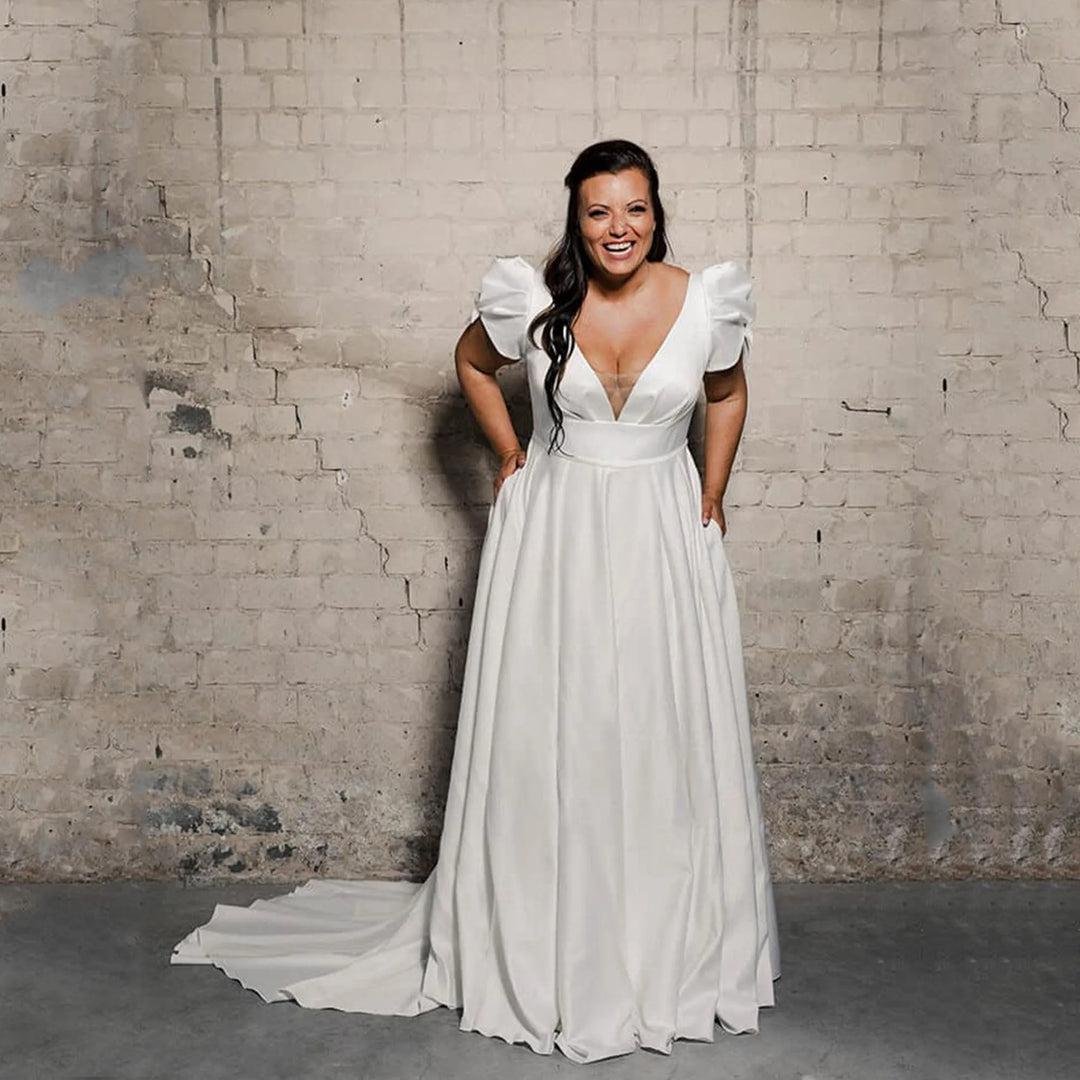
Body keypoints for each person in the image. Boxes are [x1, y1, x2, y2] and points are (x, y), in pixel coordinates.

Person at [172, 139, 779, 1064]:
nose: (618, 228)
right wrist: (509, 454)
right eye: (599, 211)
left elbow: (726, 395)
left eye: (635, 209)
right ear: (577, 221)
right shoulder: (532, 301)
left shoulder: (706, 301)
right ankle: (550, 940)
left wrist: (714, 490)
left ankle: (661, 943)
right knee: (562, 726)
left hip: (661, 531)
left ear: (658, 214)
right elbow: (469, 364)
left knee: (659, 725)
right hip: (558, 532)